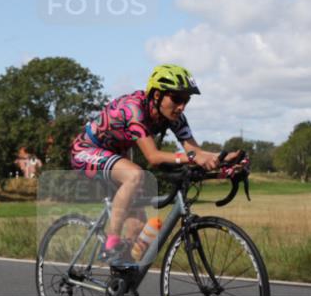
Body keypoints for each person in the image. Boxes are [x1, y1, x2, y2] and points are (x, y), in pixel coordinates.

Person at [70, 64, 239, 263]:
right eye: (176, 99)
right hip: (86, 149)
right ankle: (110, 243)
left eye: (186, 100)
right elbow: (153, 157)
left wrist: (223, 159)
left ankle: (121, 280)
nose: (182, 106)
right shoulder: (134, 108)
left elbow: (196, 153)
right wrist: (195, 158)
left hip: (118, 154)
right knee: (135, 175)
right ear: (157, 95)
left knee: (138, 229)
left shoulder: (175, 117)